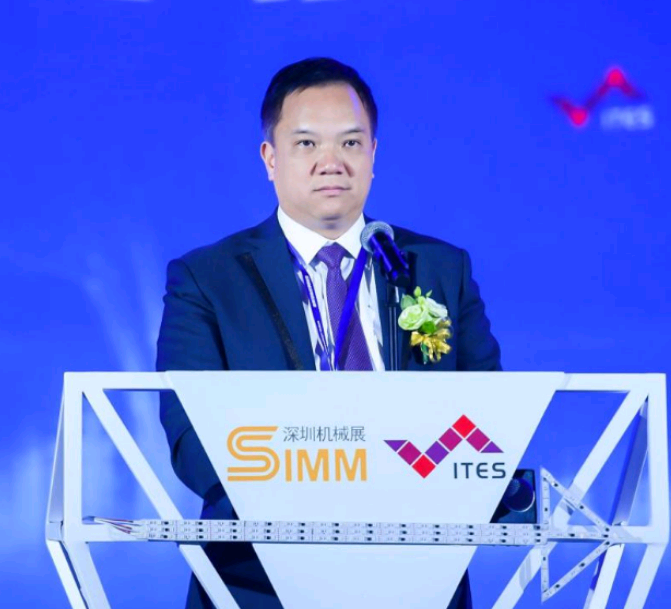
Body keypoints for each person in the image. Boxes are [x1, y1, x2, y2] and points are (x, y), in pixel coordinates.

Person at [157, 57, 502, 609]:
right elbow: (191, 439)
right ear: (270, 158)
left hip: (418, 576)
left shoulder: (436, 268)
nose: (331, 163)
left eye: (350, 143)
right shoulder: (208, 278)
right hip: (258, 583)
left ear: (373, 155)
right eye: (306, 144)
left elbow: (490, 413)